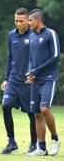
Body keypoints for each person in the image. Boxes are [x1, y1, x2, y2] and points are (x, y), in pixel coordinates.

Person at [0, 8, 37, 154]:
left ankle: (34, 143)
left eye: (21, 21)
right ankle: (11, 141)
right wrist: (6, 79)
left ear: (28, 20)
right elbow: (10, 58)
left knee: (31, 113)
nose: (18, 23)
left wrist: (34, 75)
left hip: (28, 83)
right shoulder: (11, 36)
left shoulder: (34, 35)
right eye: (16, 20)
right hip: (13, 81)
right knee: (5, 106)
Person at [26, 9, 60, 156]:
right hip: (36, 80)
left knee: (45, 109)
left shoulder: (51, 33)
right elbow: (31, 59)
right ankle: (41, 148)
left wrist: (36, 71)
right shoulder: (32, 36)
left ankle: (55, 140)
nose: (28, 23)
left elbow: (56, 56)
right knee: (37, 114)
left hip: (48, 78)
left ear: (38, 20)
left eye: (30, 21)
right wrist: (30, 73)